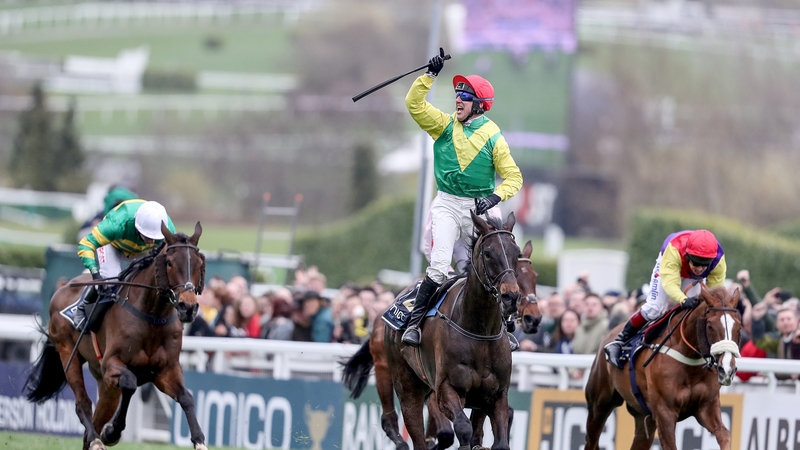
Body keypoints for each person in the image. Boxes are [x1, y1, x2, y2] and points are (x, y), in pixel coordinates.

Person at [401, 48, 523, 349]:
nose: (458, 99)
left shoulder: (494, 136)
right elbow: (413, 104)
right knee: (440, 266)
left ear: (480, 105)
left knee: (502, 263)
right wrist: (429, 75)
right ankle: (414, 324)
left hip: (480, 208)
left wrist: (494, 198)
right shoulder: (443, 125)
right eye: (457, 93)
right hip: (447, 205)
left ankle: (506, 326)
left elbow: (514, 178)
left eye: (465, 96)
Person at [604, 229, 727, 369]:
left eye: (704, 265)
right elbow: (670, 283)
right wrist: (683, 299)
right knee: (654, 308)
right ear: (687, 256)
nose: (699, 269)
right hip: (670, 266)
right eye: (696, 263)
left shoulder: (718, 261)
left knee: (699, 311)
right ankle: (619, 341)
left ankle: (707, 352)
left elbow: (713, 294)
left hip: (689, 273)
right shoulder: (674, 250)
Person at [73, 199, 176, 330]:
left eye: (155, 237)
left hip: (142, 251)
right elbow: (86, 244)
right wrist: (94, 272)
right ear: (137, 226)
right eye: (148, 236)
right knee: (111, 279)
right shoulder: (117, 223)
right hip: (113, 245)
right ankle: (83, 305)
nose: (152, 241)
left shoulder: (168, 229)